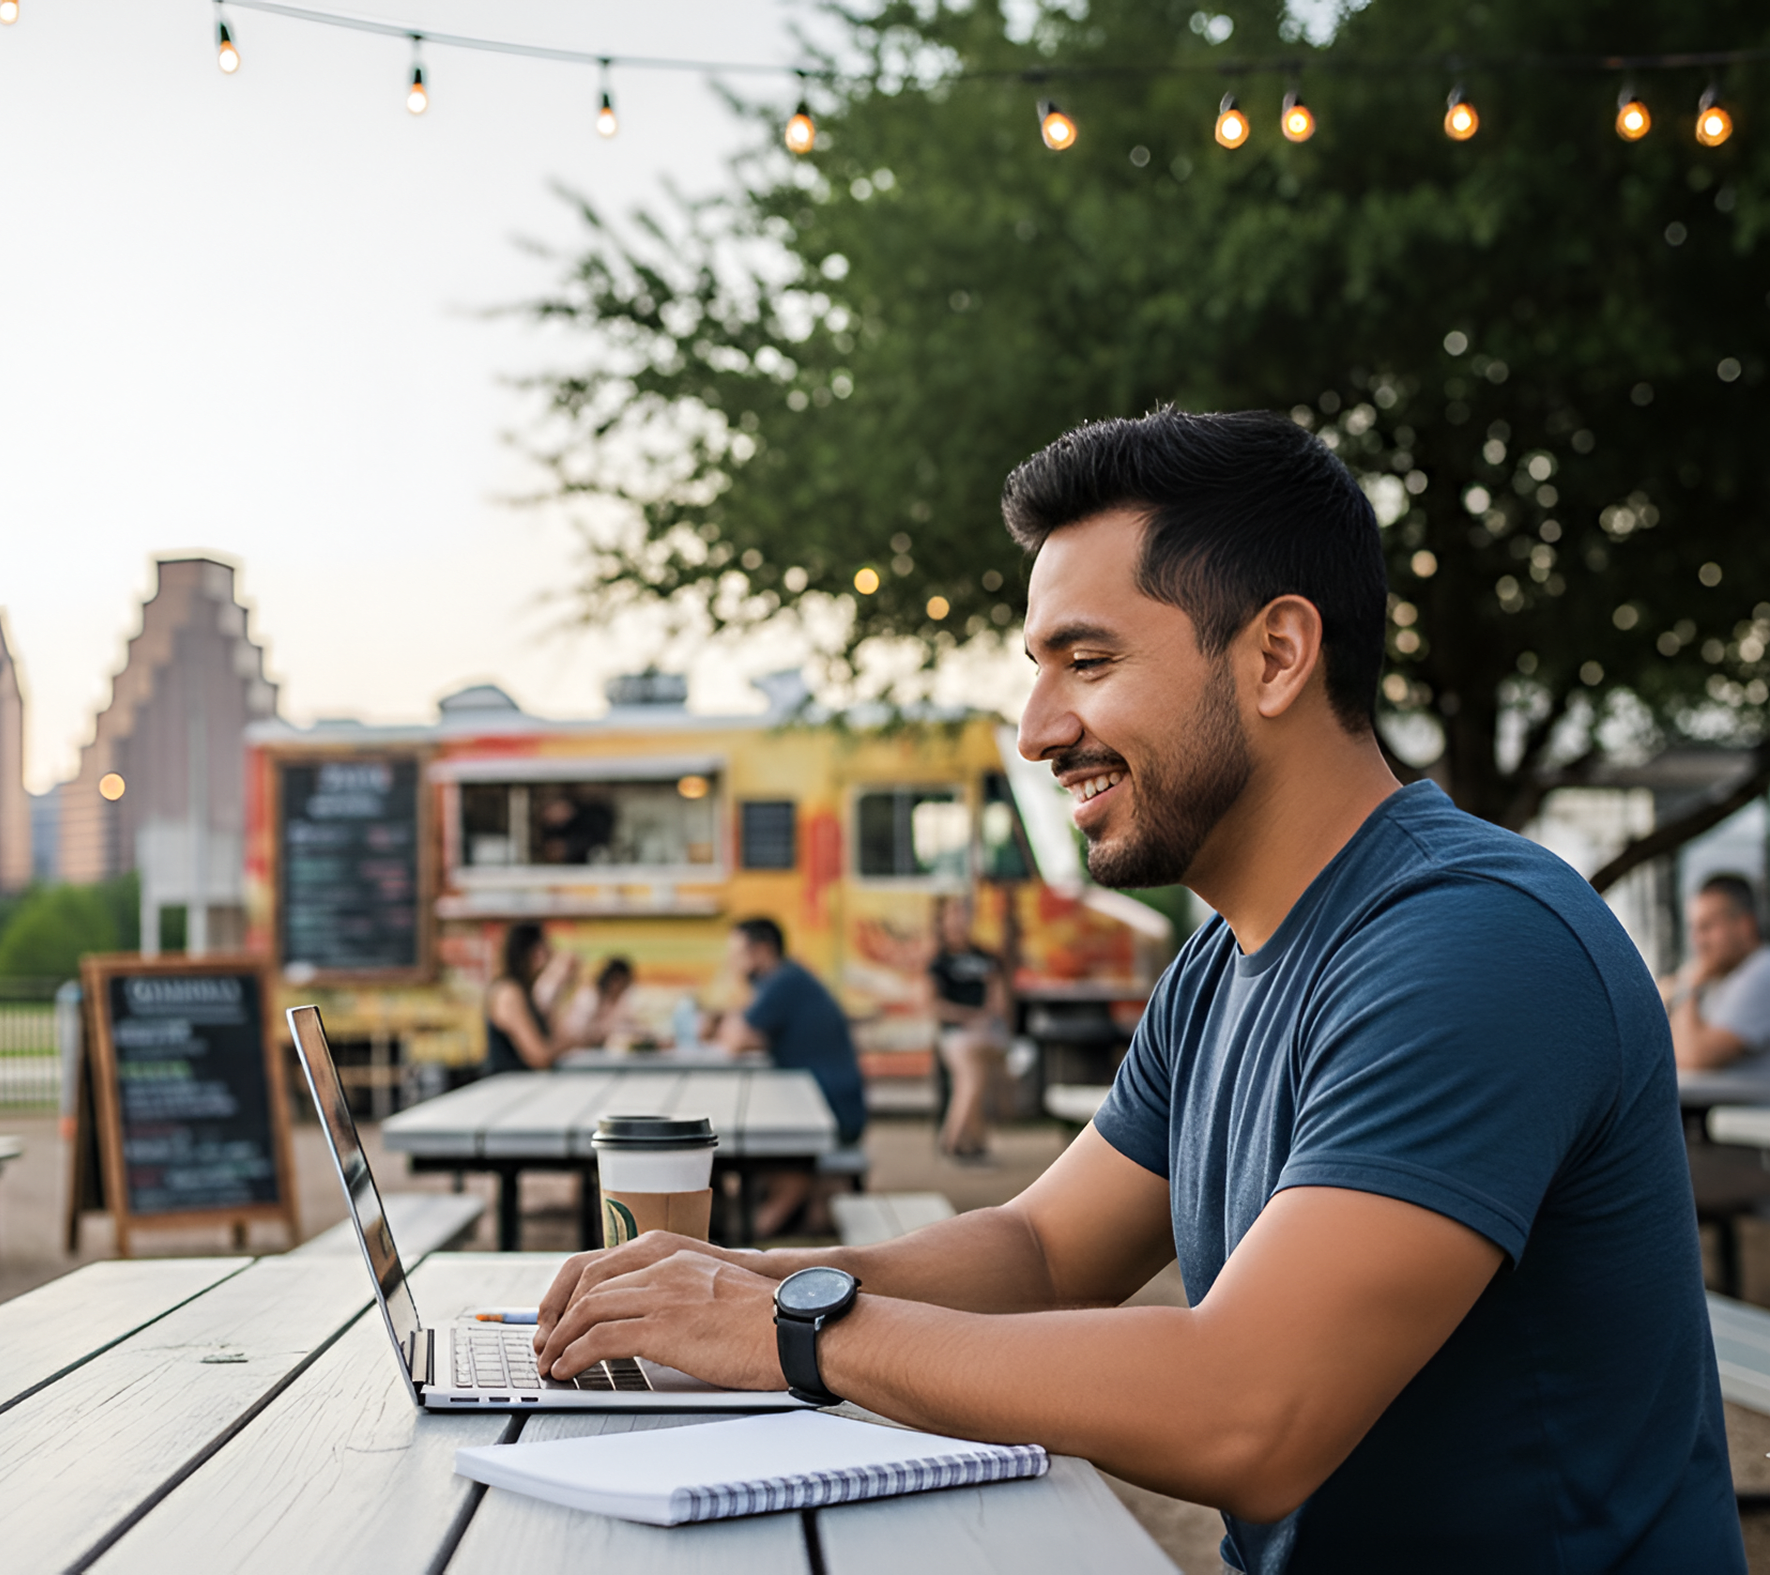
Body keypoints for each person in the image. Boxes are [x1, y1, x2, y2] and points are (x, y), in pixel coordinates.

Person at [532, 408, 1737, 1572]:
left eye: (1088, 661)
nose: (1037, 729)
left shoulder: (1475, 944)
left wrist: (797, 1334)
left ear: (1275, 655)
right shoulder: (1222, 962)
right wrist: (742, 1283)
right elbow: (1044, 1252)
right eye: (1036, 671)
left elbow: (1247, 1414)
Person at [710, 917, 865, 1235]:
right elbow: (745, 1035)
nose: (733, 963)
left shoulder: (784, 982)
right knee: (768, 1160)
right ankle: (765, 1223)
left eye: (738, 954)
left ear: (762, 951)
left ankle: (748, 1237)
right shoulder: (787, 980)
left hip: (832, 1109)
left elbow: (737, 1039)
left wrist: (734, 1023)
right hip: (828, 1099)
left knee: (783, 1164)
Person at [925, 894, 1010, 1164]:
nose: (959, 921)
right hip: (957, 1034)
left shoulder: (986, 957)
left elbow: (999, 1000)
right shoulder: (938, 963)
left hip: (986, 1033)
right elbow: (933, 1005)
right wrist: (969, 1016)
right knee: (972, 1076)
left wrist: (985, 1017)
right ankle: (962, 1141)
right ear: (941, 922)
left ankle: (961, 1141)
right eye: (953, 915)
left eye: (962, 914)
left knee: (974, 1074)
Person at [1668, 873, 1770, 1071]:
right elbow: (1671, 1051)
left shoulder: (1762, 971)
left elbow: (1695, 1057)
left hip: (1744, 1103)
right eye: (1694, 928)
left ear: (1744, 925)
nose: (1698, 940)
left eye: (1707, 927)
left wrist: (1687, 987)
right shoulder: (1722, 975)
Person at [482, 921, 568, 1073]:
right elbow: (539, 1057)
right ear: (535, 953)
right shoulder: (509, 992)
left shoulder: (525, 991)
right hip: (508, 1088)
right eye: (547, 949)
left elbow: (553, 1038)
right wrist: (570, 1044)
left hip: (520, 1086)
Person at [558, 956, 642, 1050]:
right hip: (575, 1049)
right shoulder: (589, 997)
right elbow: (575, 1032)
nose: (619, 986)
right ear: (609, 979)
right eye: (616, 980)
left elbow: (631, 1024)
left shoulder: (622, 1000)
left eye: (624, 982)